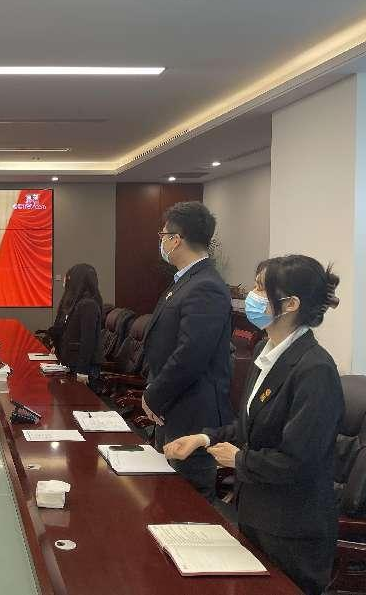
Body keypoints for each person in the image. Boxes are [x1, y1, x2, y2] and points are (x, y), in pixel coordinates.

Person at [164, 255, 343, 595]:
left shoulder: (315, 370)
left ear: (290, 304)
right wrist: (204, 438)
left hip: (291, 530)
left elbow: (298, 462)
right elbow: (250, 427)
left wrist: (238, 460)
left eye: (261, 288)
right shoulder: (266, 350)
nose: (252, 295)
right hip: (255, 514)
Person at [141, 201, 233, 501]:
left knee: (187, 505)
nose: (161, 242)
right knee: (164, 499)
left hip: (192, 415)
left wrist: (153, 396)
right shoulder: (184, 282)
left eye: (163, 235)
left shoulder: (206, 286)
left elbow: (190, 356)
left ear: (176, 239)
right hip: (172, 408)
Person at [53, 264, 105, 390]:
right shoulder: (76, 302)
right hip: (72, 363)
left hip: (83, 368)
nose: (65, 282)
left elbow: (88, 341)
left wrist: (82, 371)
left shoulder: (88, 305)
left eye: (69, 278)